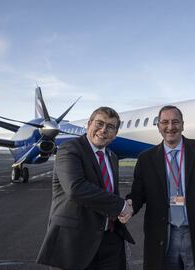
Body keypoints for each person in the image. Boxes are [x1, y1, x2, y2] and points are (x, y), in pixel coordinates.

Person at [127, 105, 195, 270]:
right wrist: (129, 207)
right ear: (158, 127)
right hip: (164, 234)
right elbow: (138, 194)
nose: (170, 127)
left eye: (175, 122)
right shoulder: (146, 159)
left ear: (183, 125)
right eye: (165, 122)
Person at [37, 107, 134, 270]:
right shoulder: (69, 149)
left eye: (110, 127)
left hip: (110, 241)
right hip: (75, 242)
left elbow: (110, 193)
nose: (103, 130)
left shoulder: (112, 157)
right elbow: (76, 188)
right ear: (89, 125)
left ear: (115, 133)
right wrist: (122, 206)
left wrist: (123, 211)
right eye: (99, 123)